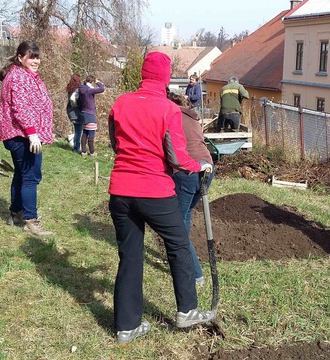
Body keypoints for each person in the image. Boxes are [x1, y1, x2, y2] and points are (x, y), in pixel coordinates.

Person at [108, 51, 215, 344]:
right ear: (166, 78)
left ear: (143, 73)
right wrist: (200, 166)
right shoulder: (168, 109)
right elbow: (178, 157)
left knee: (129, 256)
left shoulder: (120, 103)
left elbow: (114, 144)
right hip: (155, 191)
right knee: (178, 246)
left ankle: (126, 327)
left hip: (120, 192)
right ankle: (187, 311)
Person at [0, 40, 53, 238]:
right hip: (22, 135)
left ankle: (15, 212)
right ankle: (31, 220)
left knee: (21, 174)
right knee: (31, 176)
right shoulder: (19, 77)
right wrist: (32, 133)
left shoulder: (24, 75)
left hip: (22, 134)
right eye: (32, 56)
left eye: (37, 56)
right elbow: (20, 108)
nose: (36, 60)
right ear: (21, 57)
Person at [168, 92, 214, 285]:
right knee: (185, 217)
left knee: (177, 224)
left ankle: (194, 272)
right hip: (208, 168)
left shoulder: (171, 115)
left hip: (187, 171)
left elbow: (170, 148)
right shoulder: (192, 116)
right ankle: (183, 258)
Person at [78, 75, 105, 156]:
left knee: (85, 133)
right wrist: (98, 82)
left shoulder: (81, 89)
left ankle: (83, 151)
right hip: (90, 114)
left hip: (83, 113)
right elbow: (102, 89)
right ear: (91, 82)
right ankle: (92, 152)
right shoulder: (89, 90)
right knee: (91, 133)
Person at [66, 73, 82, 153]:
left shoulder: (70, 88)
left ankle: (73, 141)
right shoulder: (77, 89)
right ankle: (76, 148)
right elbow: (73, 100)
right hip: (76, 113)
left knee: (77, 130)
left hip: (70, 111)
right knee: (78, 131)